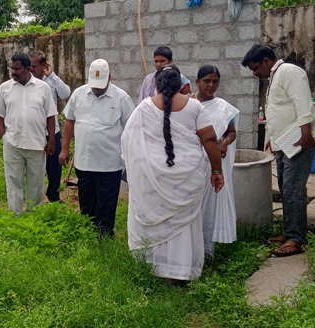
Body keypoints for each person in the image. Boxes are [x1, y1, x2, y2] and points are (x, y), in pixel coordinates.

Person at [122, 65, 224, 284]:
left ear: (156, 85)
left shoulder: (144, 108)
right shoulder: (195, 107)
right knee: (184, 225)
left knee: (157, 220)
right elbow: (210, 140)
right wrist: (217, 170)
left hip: (153, 179)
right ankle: (181, 272)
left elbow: (128, 141)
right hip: (187, 178)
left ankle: (154, 267)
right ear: (181, 84)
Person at [241, 45, 315, 257]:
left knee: (294, 188)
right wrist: (271, 141)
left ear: (266, 61)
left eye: (255, 68)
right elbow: (279, 111)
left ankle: (296, 239)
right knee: (286, 187)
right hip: (285, 141)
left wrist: (306, 135)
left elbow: (303, 104)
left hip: (299, 141)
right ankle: (290, 231)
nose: (254, 73)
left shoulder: (289, 72)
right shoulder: (275, 77)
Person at [59, 59, 134, 236]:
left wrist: (130, 157)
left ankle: (105, 236)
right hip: (84, 161)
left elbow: (131, 128)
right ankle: (89, 232)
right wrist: (64, 149)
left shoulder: (121, 97)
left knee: (106, 202)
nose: (97, 89)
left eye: (101, 85)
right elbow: (69, 121)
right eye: (94, 85)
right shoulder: (79, 94)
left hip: (109, 163)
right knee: (87, 201)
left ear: (109, 78)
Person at [0, 53, 56, 216]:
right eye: (12, 68)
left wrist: (51, 141)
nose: (13, 72)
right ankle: (15, 215)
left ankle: (33, 216)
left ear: (28, 69)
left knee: (36, 184)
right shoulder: (4, 88)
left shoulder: (43, 88)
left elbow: (50, 116)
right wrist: (4, 137)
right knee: (14, 182)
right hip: (13, 144)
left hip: (37, 144)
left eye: (17, 69)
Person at [192, 65, 239, 257]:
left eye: (215, 81)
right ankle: (189, 248)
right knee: (192, 204)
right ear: (197, 82)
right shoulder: (188, 104)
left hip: (213, 165)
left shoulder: (223, 107)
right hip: (192, 164)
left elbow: (231, 132)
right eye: (207, 81)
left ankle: (206, 250)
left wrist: (225, 142)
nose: (211, 85)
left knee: (209, 205)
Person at [29, 50, 71, 203]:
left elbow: (66, 93)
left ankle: (53, 195)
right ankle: (36, 198)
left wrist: (52, 76)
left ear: (43, 65)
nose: (31, 69)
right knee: (36, 167)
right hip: (34, 132)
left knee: (54, 168)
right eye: (30, 66)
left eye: (34, 66)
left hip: (53, 131)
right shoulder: (26, 82)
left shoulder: (51, 81)